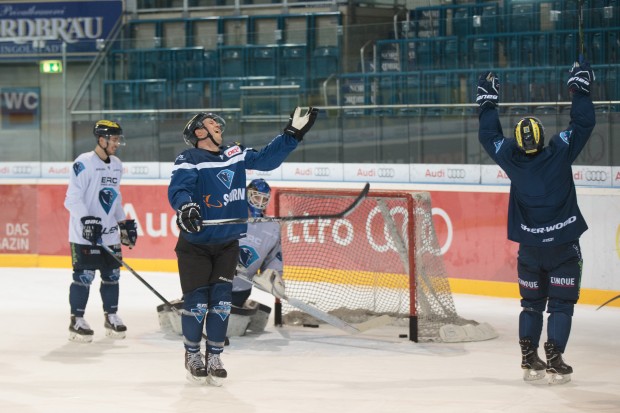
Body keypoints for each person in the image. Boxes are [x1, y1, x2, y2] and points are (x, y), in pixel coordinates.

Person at [168, 107, 318, 386]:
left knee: (222, 305)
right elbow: (180, 189)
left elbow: (266, 159)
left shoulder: (234, 153)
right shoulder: (188, 158)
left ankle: (214, 355)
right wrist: (186, 206)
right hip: (195, 247)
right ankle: (192, 355)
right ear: (199, 132)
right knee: (198, 306)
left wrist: (292, 134)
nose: (218, 126)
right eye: (211, 123)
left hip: (227, 244)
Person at [477, 60, 595, 385]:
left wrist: (487, 100)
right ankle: (555, 358)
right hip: (564, 250)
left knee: (530, 306)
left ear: (518, 142)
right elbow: (584, 122)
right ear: (543, 137)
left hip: (529, 250)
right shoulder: (559, 152)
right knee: (561, 305)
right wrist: (579, 88)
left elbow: (488, 134)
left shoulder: (512, 160)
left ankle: (529, 358)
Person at [64, 120, 138, 343]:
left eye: (118, 139)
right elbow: (71, 199)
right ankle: (76, 319)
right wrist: (87, 220)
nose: (117, 143)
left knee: (112, 276)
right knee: (84, 276)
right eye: (114, 139)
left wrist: (121, 222)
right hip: (84, 233)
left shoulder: (116, 164)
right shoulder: (84, 163)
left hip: (108, 234)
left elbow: (114, 198)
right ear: (101, 139)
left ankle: (111, 315)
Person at [232, 178, 286, 309]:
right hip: (214, 282)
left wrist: (273, 276)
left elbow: (274, 257)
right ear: (247, 194)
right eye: (257, 198)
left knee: (228, 323)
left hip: (241, 287)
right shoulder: (230, 215)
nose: (260, 202)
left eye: (264, 199)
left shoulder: (272, 227)